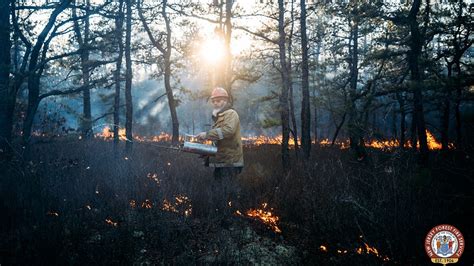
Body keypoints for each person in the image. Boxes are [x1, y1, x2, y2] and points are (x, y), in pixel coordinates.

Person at [197, 87, 244, 220]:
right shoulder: (219, 117)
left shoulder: (231, 114)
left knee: (225, 191)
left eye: (219, 100)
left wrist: (206, 135)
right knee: (219, 191)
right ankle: (222, 219)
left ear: (226, 101)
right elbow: (219, 141)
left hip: (230, 162)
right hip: (222, 161)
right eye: (214, 101)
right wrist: (206, 153)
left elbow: (228, 131)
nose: (216, 103)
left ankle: (229, 221)